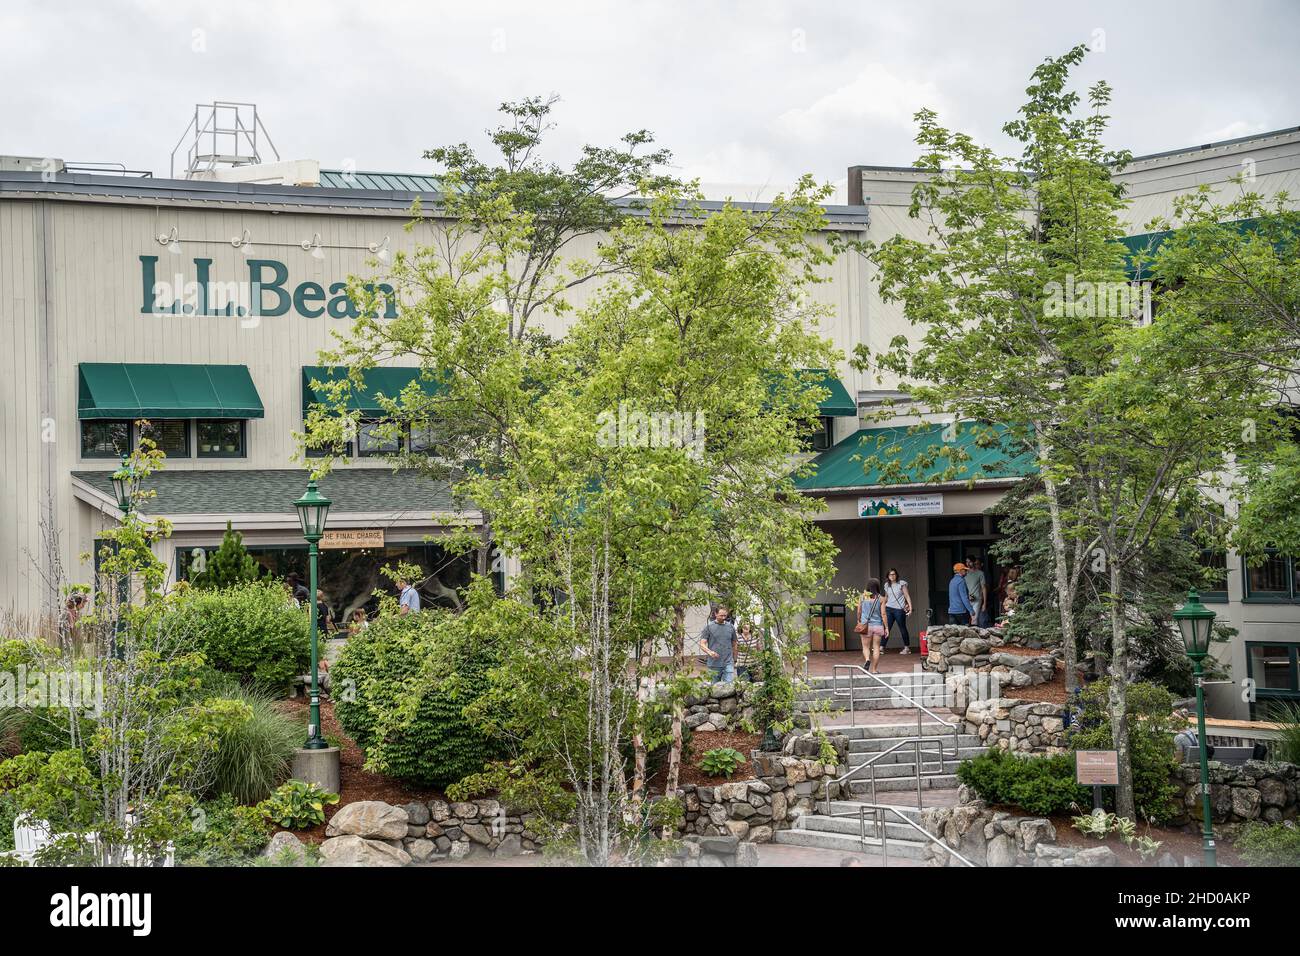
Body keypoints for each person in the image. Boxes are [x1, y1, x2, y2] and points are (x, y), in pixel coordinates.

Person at [697, 604, 738, 683]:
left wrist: (735, 659)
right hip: (714, 664)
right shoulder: (709, 627)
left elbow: (734, 644)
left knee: (728, 686)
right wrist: (709, 652)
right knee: (714, 689)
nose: (723, 617)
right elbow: (702, 643)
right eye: (721, 615)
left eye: (725, 616)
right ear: (715, 614)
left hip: (728, 663)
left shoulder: (730, 627)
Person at [882, 568, 913, 655]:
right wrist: (883, 607)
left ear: (896, 575)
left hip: (899, 610)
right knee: (886, 628)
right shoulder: (886, 585)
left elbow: (907, 596)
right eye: (890, 574)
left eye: (894, 574)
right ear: (888, 576)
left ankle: (907, 648)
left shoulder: (901, 584)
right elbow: (886, 597)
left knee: (902, 628)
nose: (892, 576)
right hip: (889, 609)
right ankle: (881, 647)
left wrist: (910, 608)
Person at [858, 579, 886, 673]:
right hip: (878, 626)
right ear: (878, 586)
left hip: (865, 626)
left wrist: (859, 620)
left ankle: (867, 660)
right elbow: (883, 614)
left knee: (866, 647)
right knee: (876, 648)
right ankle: (874, 670)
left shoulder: (862, 597)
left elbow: (859, 611)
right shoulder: (881, 598)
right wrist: (886, 627)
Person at [965, 556, 989, 627]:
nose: (968, 564)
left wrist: (984, 603)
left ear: (973, 562)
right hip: (966, 599)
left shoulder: (980, 573)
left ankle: (974, 636)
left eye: (970, 562)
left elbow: (984, 588)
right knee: (966, 620)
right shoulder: (965, 573)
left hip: (977, 600)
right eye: (966, 562)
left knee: (974, 620)